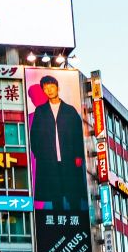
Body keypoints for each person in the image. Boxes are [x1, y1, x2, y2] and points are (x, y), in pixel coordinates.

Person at [27, 74, 87, 213]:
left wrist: (78, 155)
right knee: (55, 194)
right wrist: (39, 154)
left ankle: (76, 218)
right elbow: (34, 135)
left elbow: (78, 134)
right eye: (46, 88)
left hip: (69, 158)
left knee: (73, 193)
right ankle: (58, 219)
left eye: (52, 87)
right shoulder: (40, 111)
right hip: (49, 160)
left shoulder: (70, 110)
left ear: (57, 88)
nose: (49, 90)